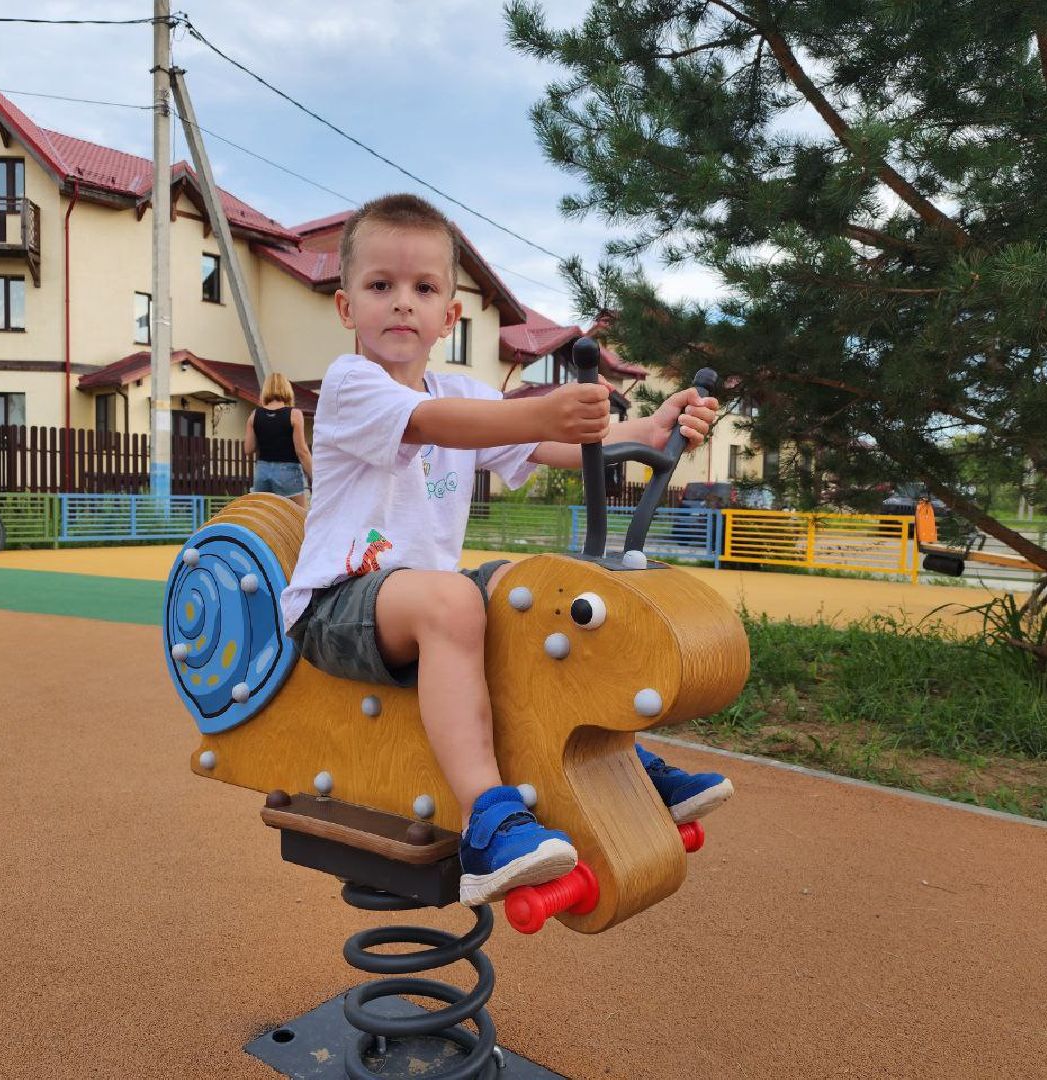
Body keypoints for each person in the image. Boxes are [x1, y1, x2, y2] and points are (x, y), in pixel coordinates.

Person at [279, 194, 733, 907]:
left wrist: (651, 428)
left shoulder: (462, 388)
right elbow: (438, 424)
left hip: (420, 600)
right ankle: (488, 819)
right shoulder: (350, 386)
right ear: (345, 308)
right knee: (456, 597)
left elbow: (553, 445)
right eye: (380, 286)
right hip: (334, 609)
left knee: (537, 591)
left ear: (449, 317)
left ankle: (610, 757)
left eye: (423, 288)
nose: (402, 304)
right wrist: (535, 407)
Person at [244, 372, 313, 508]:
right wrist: (315, 476)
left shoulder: (254, 415)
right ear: (287, 389)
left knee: (265, 518)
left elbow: (248, 449)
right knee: (298, 518)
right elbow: (302, 451)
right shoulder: (294, 414)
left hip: (262, 471)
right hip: (287, 471)